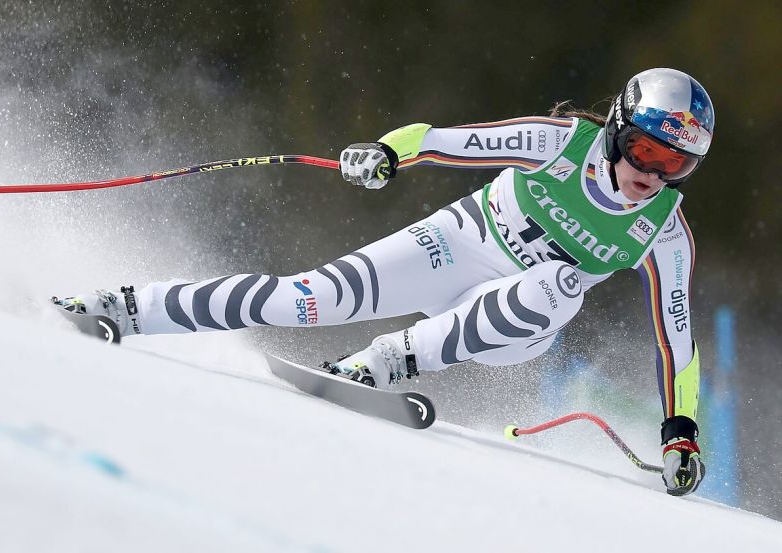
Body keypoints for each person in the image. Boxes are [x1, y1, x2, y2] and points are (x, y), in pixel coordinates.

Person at [56, 68, 713, 496]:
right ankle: (126, 305)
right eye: (648, 151)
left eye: (676, 163)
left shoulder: (664, 231)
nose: (653, 174)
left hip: (513, 321)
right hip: (456, 243)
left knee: (558, 285)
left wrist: (679, 430)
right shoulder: (560, 143)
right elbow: (437, 140)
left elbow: (675, 341)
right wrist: (386, 153)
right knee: (302, 298)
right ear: (620, 131)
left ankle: (381, 364)